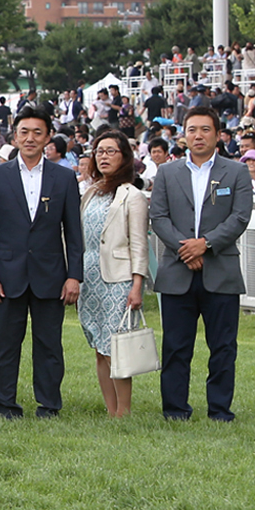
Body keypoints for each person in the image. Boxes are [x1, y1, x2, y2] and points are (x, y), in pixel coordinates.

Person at [0, 104, 84, 419]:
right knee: (4, 344)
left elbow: (74, 234)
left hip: (51, 274)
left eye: (38, 132)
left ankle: (49, 404)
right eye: (24, 131)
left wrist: (73, 276)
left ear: (48, 136)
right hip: (6, 273)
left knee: (49, 345)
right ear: (15, 135)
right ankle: (5, 403)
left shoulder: (64, 178)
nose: (30, 138)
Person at [150, 106, 253, 422]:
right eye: (192, 129)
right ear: (183, 135)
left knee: (223, 346)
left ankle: (220, 409)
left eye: (205, 129)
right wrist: (187, 250)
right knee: (176, 346)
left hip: (220, 270)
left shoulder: (236, 172)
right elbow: (158, 217)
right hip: (177, 271)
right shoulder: (167, 173)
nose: (198, 135)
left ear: (218, 134)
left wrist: (205, 245)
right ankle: (175, 410)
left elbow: (240, 216)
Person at [78, 129, 149, 418]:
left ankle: (124, 410)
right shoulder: (91, 191)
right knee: (99, 346)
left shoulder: (132, 195)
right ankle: (111, 410)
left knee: (117, 347)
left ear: (125, 157)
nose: (104, 157)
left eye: (111, 151)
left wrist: (137, 285)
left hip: (119, 279)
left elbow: (139, 244)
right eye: (99, 151)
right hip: (90, 276)